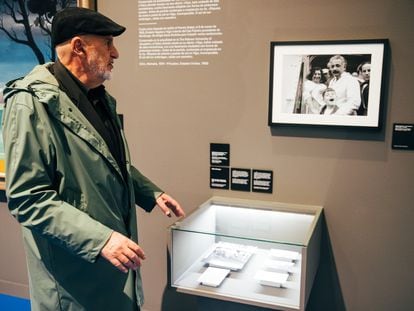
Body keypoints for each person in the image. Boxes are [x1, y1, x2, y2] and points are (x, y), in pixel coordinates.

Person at [2, 7, 185, 311]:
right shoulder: (29, 104)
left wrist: (150, 192)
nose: (116, 53)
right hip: (73, 276)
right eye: (108, 43)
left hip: (108, 269)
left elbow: (108, 161)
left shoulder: (97, 98)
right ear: (79, 47)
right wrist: (99, 240)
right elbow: (27, 198)